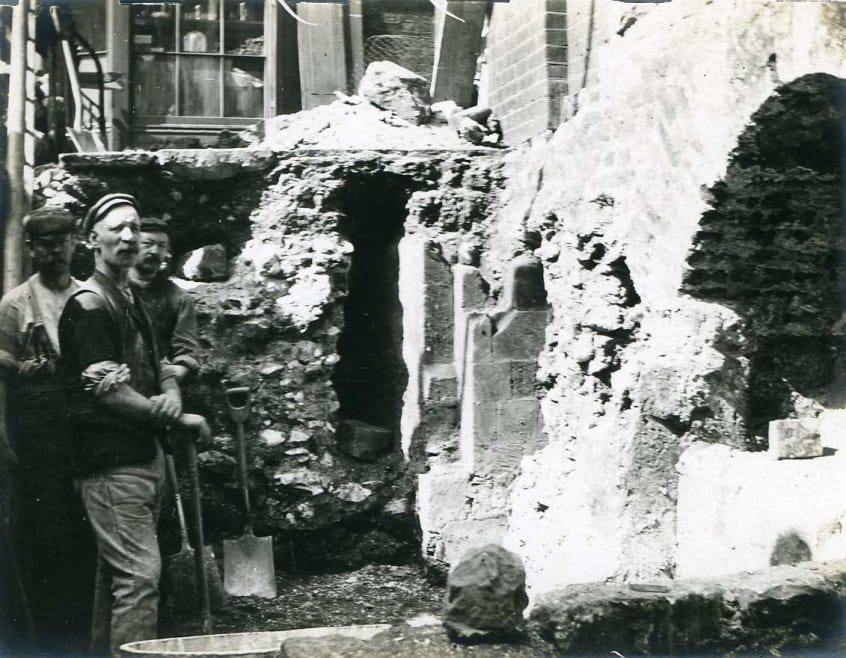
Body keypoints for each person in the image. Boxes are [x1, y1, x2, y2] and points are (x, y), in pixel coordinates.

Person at [58, 193, 210, 658]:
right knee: (140, 579)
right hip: (110, 463)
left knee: (117, 578)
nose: (128, 236)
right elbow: (108, 390)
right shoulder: (89, 305)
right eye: (116, 228)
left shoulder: (131, 298)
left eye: (133, 228)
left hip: (143, 457)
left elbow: (162, 363)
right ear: (91, 240)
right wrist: (174, 415)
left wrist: (172, 393)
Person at [0, 207, 94, 655]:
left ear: (74, 244)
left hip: (88, 435)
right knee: (48, 537)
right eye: (44, 243)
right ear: (32, 248)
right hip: (38, 444)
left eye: (61, 241)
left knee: (88, 535)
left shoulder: (89, 297)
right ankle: (54, 639)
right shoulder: (16, 303)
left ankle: (90, 635)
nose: (53, 250)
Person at [130, 217, 200, 383]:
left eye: (161, 246)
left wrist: (171, 376)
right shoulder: (112, 291)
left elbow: (186, 351)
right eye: (147, 244)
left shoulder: (178, 298)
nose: (155, 251)